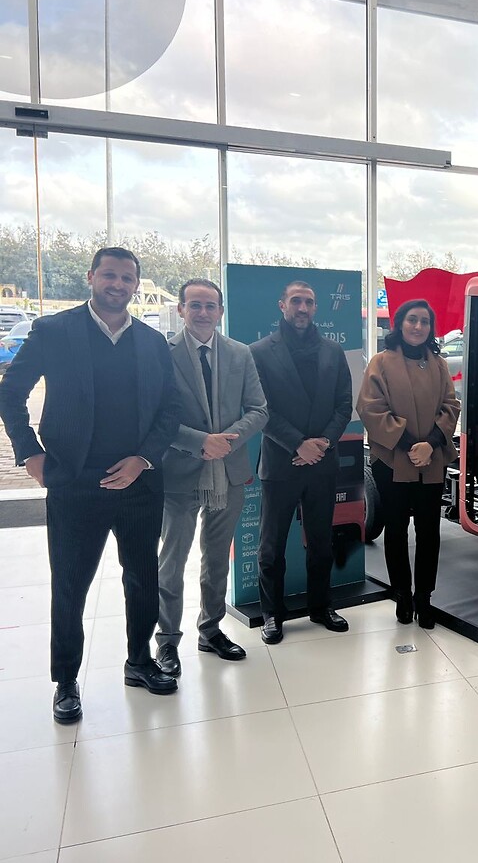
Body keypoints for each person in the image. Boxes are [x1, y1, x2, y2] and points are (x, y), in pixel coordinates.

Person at [0, 247, 181, 724]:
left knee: (142, 578)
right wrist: (29, 452)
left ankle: (139, 661)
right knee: (70, 584)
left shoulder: (151, 341)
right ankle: (66, 680)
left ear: (136, 284)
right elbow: (10, 392)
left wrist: (143, 459)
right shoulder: (54, 331)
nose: (117, 284)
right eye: (109, 275)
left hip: (139, 482)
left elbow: (170, 408)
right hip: (75, 481)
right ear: (91, 277)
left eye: (126, 278)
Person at [154, 278, 268, 677]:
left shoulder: (239, 353)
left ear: (220, 311)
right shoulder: (162, 354)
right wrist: (200, 442)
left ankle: (211, 629)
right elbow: (154, 415)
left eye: (210, 306)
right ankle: (167, 641)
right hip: (179, 473)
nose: (203, 312)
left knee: (217, 559)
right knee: (172, 563)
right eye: (195, 305)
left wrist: (225, 442)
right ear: (181, 309)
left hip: (228, 472)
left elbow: (259, 409)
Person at [250, 281, 353, 644]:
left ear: (315, 308)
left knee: (322, 542)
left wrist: (323, 442)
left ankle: (321, 606)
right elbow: (261, 409)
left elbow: (344, 404)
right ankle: (272, 613)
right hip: (282, 463)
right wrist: (298, 444)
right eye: (296, 301)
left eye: (309, 302)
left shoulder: (333, 351)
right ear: (282, 305)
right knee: (271, 546)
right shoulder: (259, 352)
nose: (303, 307)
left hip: (322, 462)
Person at [357, 299, 460, 629]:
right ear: (400, 323)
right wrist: (409, 445)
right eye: (412, 320)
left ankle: (424, 598)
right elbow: (370, 408)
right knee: (396, 528)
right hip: (392, 459)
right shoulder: (381, 362)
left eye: (424, 322)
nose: (418, 326)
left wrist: (430, 444)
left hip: (432, 458)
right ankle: (402, 594)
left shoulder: (439, 364)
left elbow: (451, 405)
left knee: (429, 531)